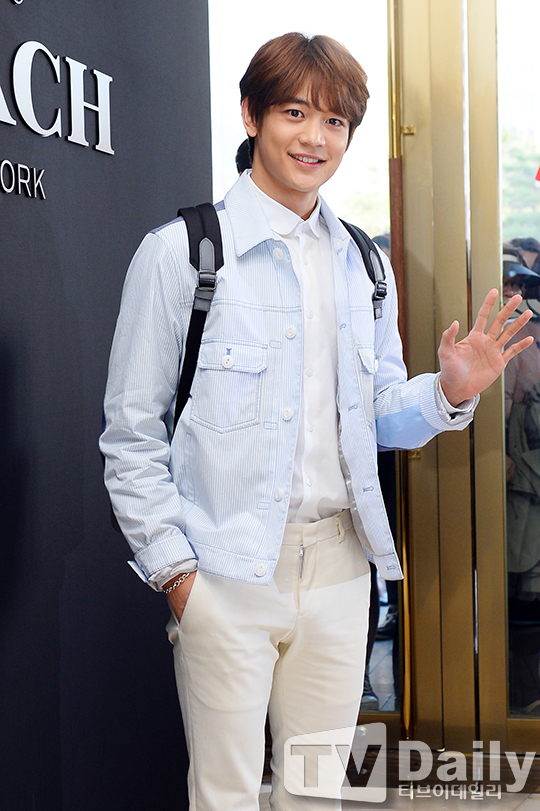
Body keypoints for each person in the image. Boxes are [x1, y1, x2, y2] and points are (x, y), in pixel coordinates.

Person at [100, 32, 534, 811]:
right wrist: (178, 575)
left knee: (318, 791)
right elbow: (131, 434)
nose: (315, 137)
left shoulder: (364, 264)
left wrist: (448, 389)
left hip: (339, 566)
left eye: (335, 121)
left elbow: (376, 415)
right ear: (251, 116)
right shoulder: (181, 253)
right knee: (225, 795)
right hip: (224, 569)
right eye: (295, 112)